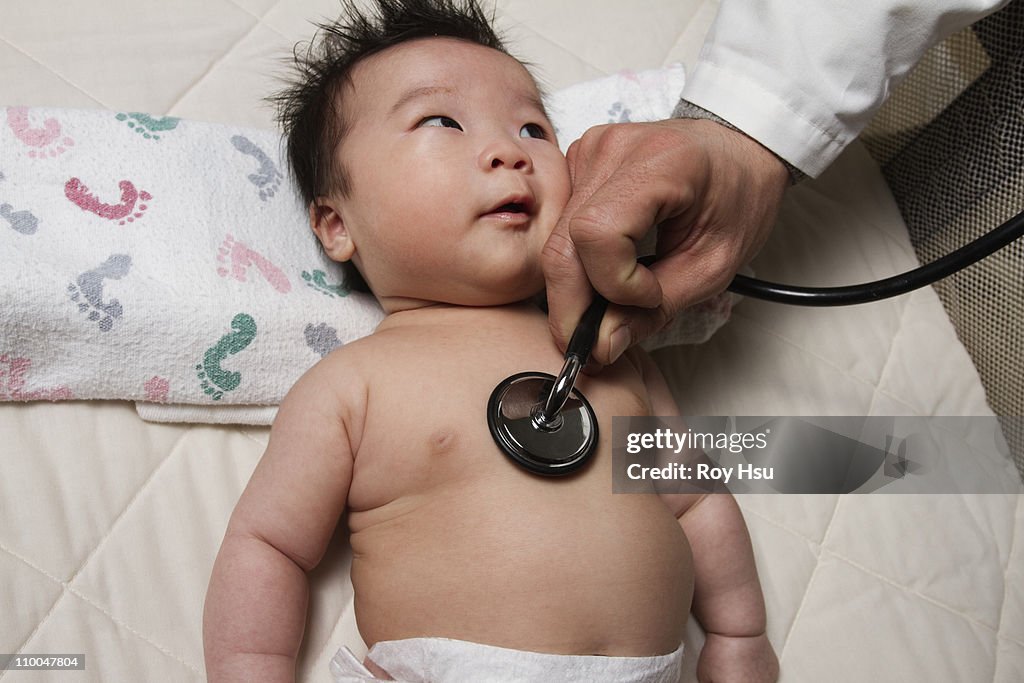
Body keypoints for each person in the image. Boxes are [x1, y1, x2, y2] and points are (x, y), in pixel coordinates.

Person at [202, 1, 775, 681]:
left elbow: (699, 499)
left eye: (532, 126)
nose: (510, 151)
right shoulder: (351, 384)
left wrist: (739, 633)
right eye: (439, 120)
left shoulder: (610, 349)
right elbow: (268, 546)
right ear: (334, 223)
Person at [543, 0, 1012, 368]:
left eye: (531, 128)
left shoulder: (623, 356)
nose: (508, 157)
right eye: (462, 126)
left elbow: (678, 469)